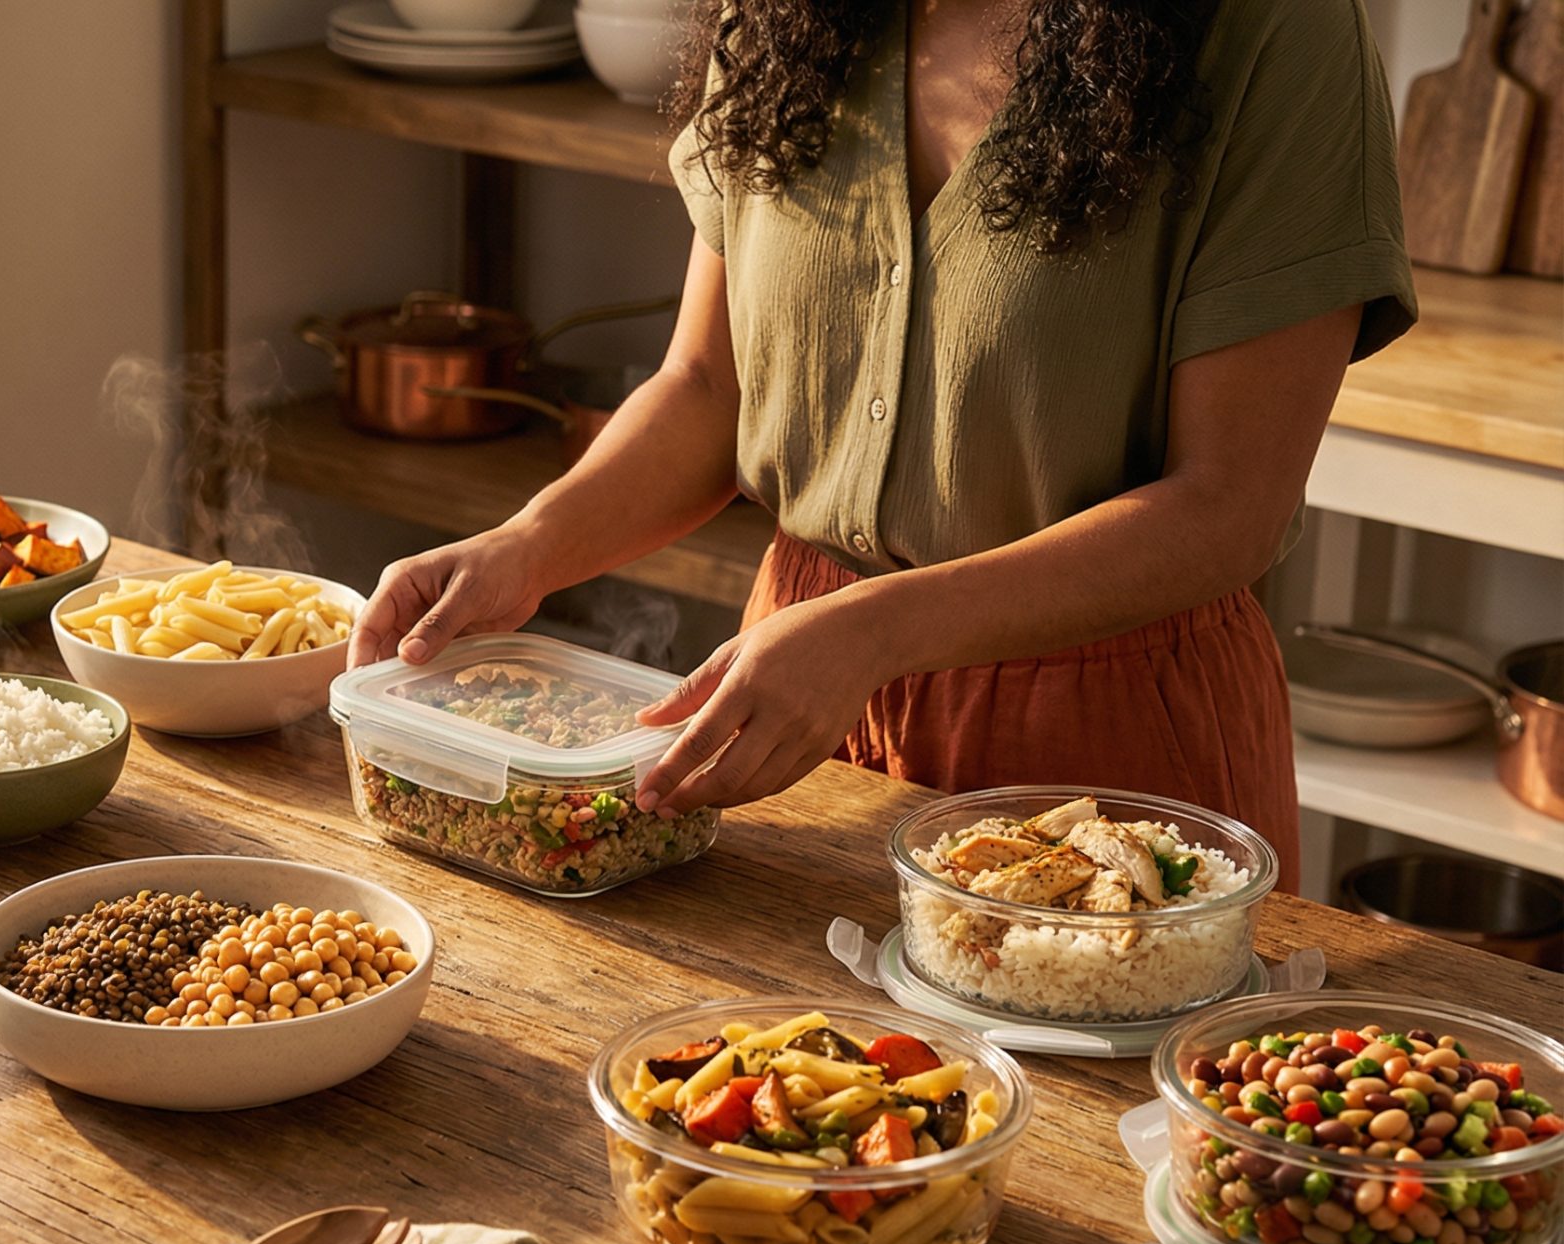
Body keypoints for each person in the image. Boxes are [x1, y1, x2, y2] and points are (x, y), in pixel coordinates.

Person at [349, 0, 1416, 885]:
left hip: (1109, 741)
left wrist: (872, 630)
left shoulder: (1273, 33)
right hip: (799, 713)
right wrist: (527, 547)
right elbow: (709, 384)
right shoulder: (783, 15)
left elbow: (1229, 506)